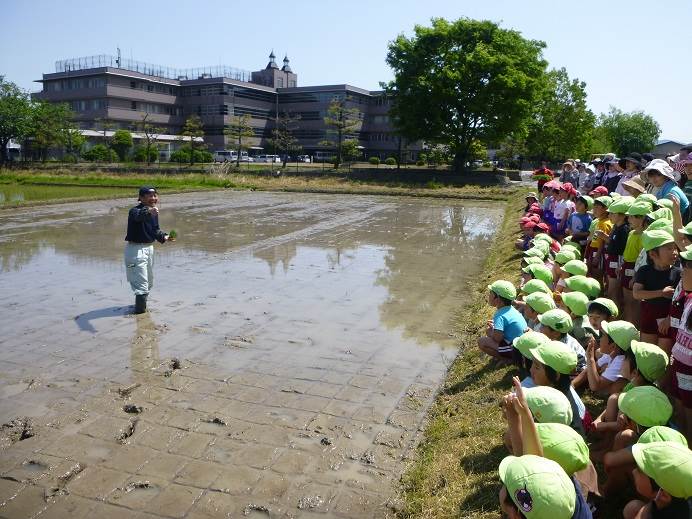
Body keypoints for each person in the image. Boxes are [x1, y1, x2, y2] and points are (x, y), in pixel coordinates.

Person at [124, 186, 172, 314]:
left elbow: (155, 230)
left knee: (149, 282)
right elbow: (138, 217)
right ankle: (140, 315)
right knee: (142, 286)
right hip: (136, 250)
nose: (153, 198)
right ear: (140, 198)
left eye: (155, 195)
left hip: (149, 249)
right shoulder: (134, 211)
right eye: (150, 195)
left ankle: (140, 308)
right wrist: (149, 213)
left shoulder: (153, 212)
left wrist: (165, 237)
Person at [632, 230, 680, 351]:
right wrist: (661, 293)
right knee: (647, 353)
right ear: (653, 254)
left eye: (675, 248)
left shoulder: (678, 273)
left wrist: (669, 319)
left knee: (663, 356)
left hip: (668, 318)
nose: (675, 253)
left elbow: (681, 301)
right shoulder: (644, 271)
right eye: (669, 249)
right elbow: (636, 293)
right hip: (649, 315)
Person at [623, 441, 692, 519]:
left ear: (663, 495)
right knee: (632, 508)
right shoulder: (669, 500)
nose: (634, 471)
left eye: (640, 471)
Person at [478, 281, 527, 364]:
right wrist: (495, 329)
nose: (488, 295)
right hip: (520, 345)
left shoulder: (500, 315)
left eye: (491, 293)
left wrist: (494, 329)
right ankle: (505, 354)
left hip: (515, 350)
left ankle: (508, 360)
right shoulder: (511, 308)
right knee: (488, 331)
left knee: (482, 342)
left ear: (498, 299)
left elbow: (498, 338)